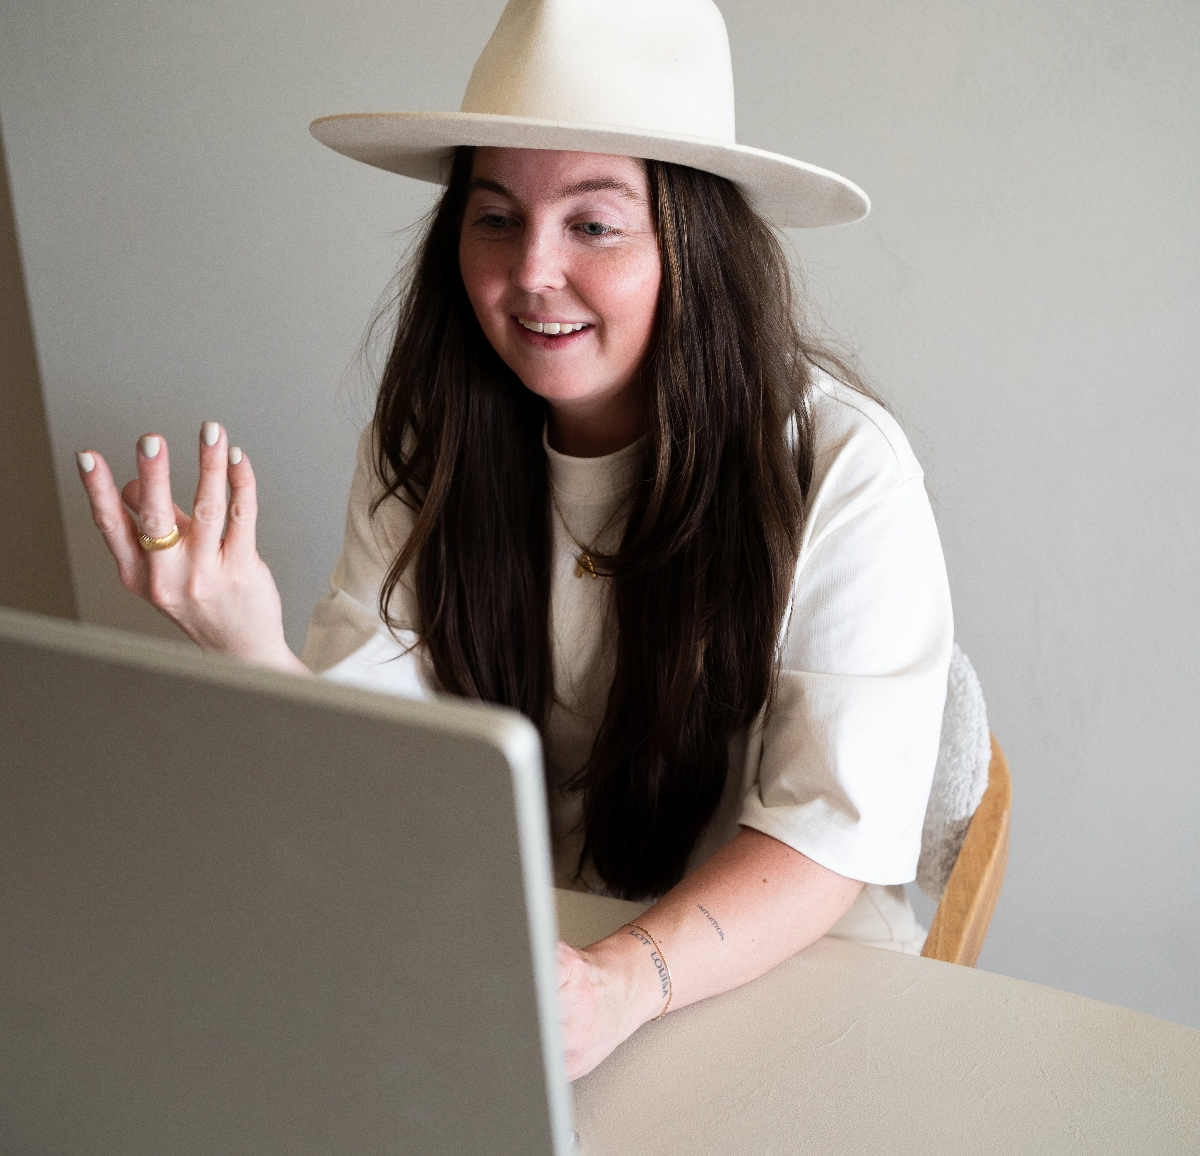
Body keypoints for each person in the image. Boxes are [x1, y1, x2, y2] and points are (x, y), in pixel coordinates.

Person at [74, 0, 952, 1080]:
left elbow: (829, 830)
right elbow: (396, 774)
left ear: (695, 241)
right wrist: (247, 641)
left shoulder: (842, 469)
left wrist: (626, 981)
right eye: (495, 218)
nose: (532, 271)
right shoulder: (423, 449)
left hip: (786, 997)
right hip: (531, 968)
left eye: (592, 224)